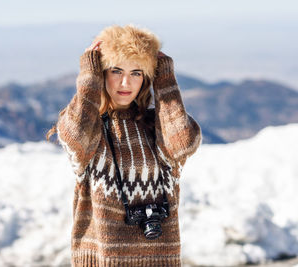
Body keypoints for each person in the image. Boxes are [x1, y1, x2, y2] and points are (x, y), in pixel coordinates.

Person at [46, 24, 202, 267]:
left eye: (137, 72)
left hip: (160, 260)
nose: (126, 82)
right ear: (102, 73)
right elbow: (74, 136)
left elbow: (183, 143)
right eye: (116, 70)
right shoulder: (92, 128)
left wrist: (165, 77)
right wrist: (89, 73)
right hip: (101, 261)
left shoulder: (156, 126)